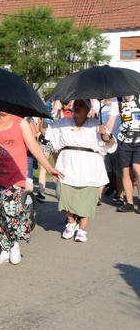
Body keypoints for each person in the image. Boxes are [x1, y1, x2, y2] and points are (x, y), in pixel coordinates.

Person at [0, 111, 63, 265]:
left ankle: (13, 243)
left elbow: (33, 146)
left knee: (10, 211)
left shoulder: (20, 122)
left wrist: (48, 167)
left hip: (14, 175)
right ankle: (3, 249)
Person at [46, 99, 116, 242]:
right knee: (62, 193)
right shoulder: (63, 123)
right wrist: (42, 115)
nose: (77, 108)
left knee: (87, 197)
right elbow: (46, 132)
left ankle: (82, 228)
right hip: (67, 163)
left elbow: (110, 144)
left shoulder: (96, 124)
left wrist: (105, 135)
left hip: (89, 165)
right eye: (75, 105)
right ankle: (72, 222)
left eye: (81, 105)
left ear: (88, 109)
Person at [114, 95, 140, 213]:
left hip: (139, 140)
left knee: (137, 169)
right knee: (125, 170)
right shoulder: (118, 101)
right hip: (124, 140)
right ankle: (129, 202)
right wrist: (106, 134)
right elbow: (111, 121)